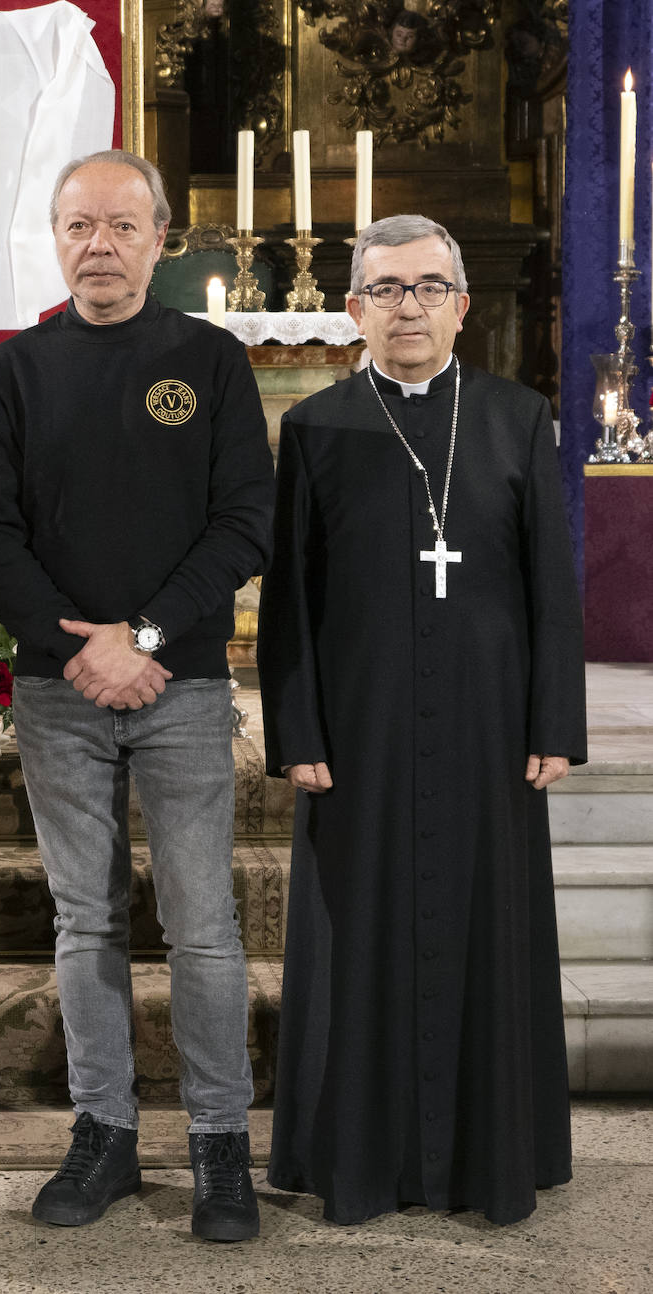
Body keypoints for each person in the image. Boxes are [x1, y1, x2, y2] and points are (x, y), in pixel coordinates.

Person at [0, 149, 275, 1242]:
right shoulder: (13, 370)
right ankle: (103, 1136)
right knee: (84, 922)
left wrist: (139, 637)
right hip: (58, 692)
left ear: (159, 238)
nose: (99, 244)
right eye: (78, 225)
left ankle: (220, 1145)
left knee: (202, 929)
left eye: (121, 226)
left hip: (179, 682)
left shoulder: (211, 362)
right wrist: (75, 643)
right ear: (53, 237)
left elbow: (243, 521)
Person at [258, 213, 587, 1227]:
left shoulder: (513, 416)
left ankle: (490, 1161)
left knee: (487, 924)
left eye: (429, 287)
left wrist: (554, 720)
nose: (409, 307)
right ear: (352, 308)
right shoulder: (316, 426)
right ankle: (356, 1161)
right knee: (356, 933)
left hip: (490, 726)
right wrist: (298, 733)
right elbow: (291, 602)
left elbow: (548, 585)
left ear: (462, 305)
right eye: (388, 288)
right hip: (358, 730)